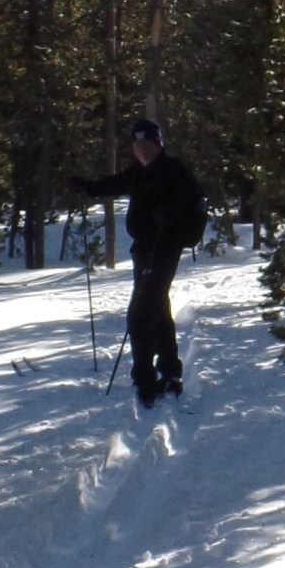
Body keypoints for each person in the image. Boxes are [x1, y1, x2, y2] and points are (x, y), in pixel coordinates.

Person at [71, 119, 199, 408]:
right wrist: (87, 187)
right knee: (157, 308)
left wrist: (168, 223)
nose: (141, 149)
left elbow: (184, 213)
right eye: (137, 144)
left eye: (147, 143)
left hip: (164, 250)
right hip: (143, 250)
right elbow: (113, 183)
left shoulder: (174, 172)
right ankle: (170, 373)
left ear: (158, 144)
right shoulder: (139, 172)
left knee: (140, 313)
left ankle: (144, 379)